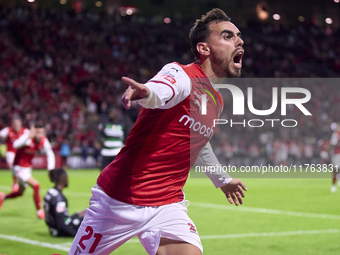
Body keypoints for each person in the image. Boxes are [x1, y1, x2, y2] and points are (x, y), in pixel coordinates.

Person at [69, 8, 247, 255]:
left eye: (239, 36)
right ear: (203, 49)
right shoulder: (180, 74)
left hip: (167, 203)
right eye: (228, 36)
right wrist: (147, 93)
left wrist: (222, 180)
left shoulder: (216, 99)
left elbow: (198, 143)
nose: (240, 41)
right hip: (119, 200)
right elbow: (162, 90)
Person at [0, 124, 55, 219]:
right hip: (17, 168)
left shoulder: (43, 140)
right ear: (34, 132)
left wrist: (50, 169)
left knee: (20, 193)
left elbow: (50, 152)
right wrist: (27, 137)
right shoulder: (28, 138)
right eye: (37, 132)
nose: (39, 135)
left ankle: (2, 197)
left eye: (41, 132)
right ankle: (39, 212)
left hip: (27, 169)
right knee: (36, 185)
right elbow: (15, 144)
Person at [44, 168, 85, 237]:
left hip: (53, 228)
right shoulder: (59, 198)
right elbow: (61, 223)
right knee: (89, 217)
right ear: (63, 178)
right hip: (59, 230)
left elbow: (61, 217)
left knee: (85, 212)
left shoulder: (50, 192)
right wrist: (76, 235)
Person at [0, 118, 29, 192]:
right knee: (14, 167)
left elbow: (32, 135)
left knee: (21, 168)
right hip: (11, 152)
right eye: (15, 124)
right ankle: (16, 183)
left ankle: (21, 181)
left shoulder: (25, 131)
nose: (16, 125)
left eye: (18, 124)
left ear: (21, 124)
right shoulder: (8, 130)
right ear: (12, 124)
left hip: (21, 154)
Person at [329, 123, 340, 193]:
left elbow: (333, 144)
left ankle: (334, 185)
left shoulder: (336, 134)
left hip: (337, 154)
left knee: (335, 169)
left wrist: (329, 151)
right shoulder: (337, 134)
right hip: (337, 153)